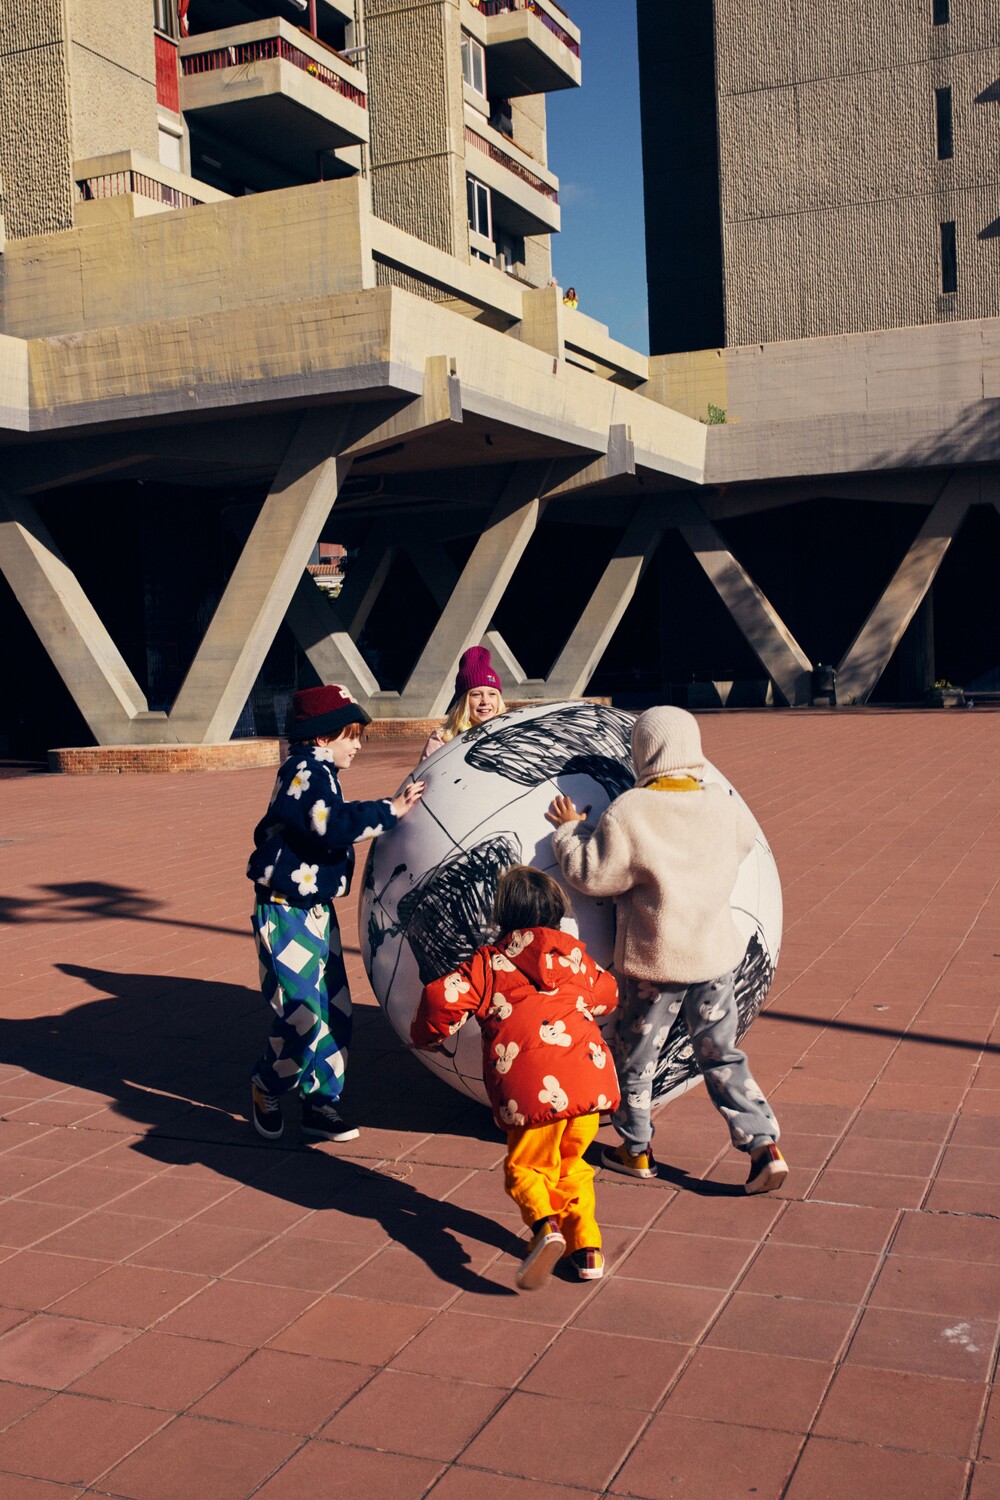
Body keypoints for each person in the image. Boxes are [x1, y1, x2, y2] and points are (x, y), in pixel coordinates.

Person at [546, 706, 788, 1196]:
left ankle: (636, 1149)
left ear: (644, 752)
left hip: (656, 966)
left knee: (636, 1057)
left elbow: (592, 875)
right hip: (714, 960)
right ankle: (763, 1144)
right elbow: (743, 844)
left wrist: (570, 831)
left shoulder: (633, 810)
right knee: (720, 1053)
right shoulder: (723, 804)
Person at [410, 866, 619, 1289]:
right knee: (572, 1166)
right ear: (557, 913)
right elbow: (608, 994)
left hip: (533, 1092)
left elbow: (440, 999)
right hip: (589, 1083)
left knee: (525, 1168)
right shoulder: (575, 958)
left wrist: (426, 1037)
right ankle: (587, 1250)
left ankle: (545, 1228)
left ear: (502, 914)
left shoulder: (490, 963)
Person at [247, 684, 424, 1143]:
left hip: (315, 910)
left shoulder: (320, 769)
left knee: (333, 1010)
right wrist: (390, 810)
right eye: (352, 735)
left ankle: (320, 1102)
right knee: (303, 1014)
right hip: (286, 911)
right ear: (324, 736)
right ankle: (268, 1085)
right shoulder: (305, 770)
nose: (358, 745)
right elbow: (327, 824)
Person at [420, 646, 506, 759]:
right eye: (476, 694)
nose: (485, 701)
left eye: (492, 694)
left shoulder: (509, 734)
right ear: (463, 701)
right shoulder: (442, 739)